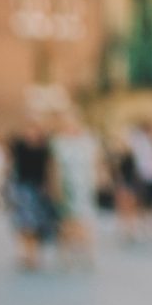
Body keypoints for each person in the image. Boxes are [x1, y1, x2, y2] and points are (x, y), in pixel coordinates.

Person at [49, 107, 100, 270]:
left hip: (84, 184)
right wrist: (55, 186)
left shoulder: (88, 140)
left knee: (84, 219)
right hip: (66, 184)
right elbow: (54, 166)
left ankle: (86, 253)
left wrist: (98, 179)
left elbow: (96, 162)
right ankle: (65, 255)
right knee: (66, 222)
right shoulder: (57, 142)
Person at [7, 117, 57, 269]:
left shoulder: (44, 148)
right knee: (23, 223)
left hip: (38, 189)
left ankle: (33, 254)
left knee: (35, 224)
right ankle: (24, 252)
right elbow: (11, 165)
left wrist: (51, 187)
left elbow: (49, 168)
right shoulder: (19, 146)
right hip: (22, 188)